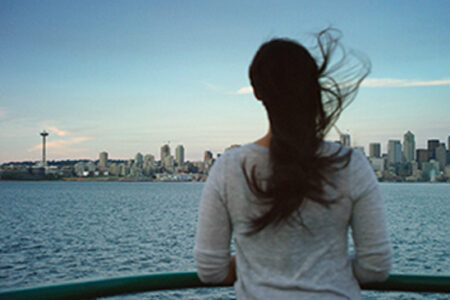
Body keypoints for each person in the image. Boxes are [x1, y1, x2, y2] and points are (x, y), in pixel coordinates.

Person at [194, 29, 392, 299]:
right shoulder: (351, 164)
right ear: (312, 87)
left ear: (257, 93)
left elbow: (210, 270)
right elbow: (376, 267)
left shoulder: (229, 168)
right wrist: (327, 269)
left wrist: (258, 261)